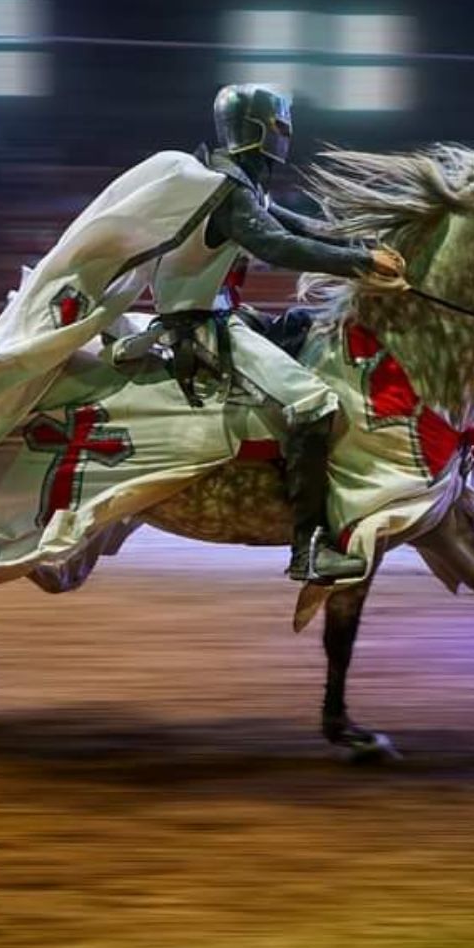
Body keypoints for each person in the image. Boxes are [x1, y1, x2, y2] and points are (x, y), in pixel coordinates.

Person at [142, 83, 407, 582]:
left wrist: (373, 243)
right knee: (314, 403)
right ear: (256, 129)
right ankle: (308, 547)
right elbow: (278, 246)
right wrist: (358, 262)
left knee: (312, 329)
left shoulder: (242, 182)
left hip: (225, 315)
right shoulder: (224, 188)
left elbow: (302, 228)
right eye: (280, 126)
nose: (287, 136)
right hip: (197, 326)